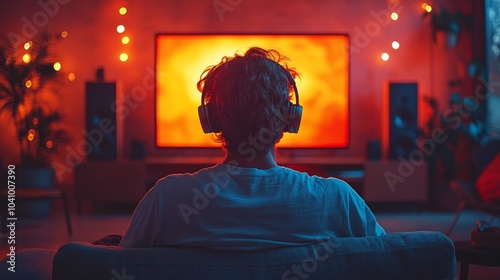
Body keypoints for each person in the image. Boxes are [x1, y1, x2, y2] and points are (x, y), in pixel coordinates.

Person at [119, 47, 385, 249]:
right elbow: (389, 257)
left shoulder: (166, 198)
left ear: (210, 118)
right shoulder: (337, 199)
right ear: (290, 117)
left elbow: (121, 264)